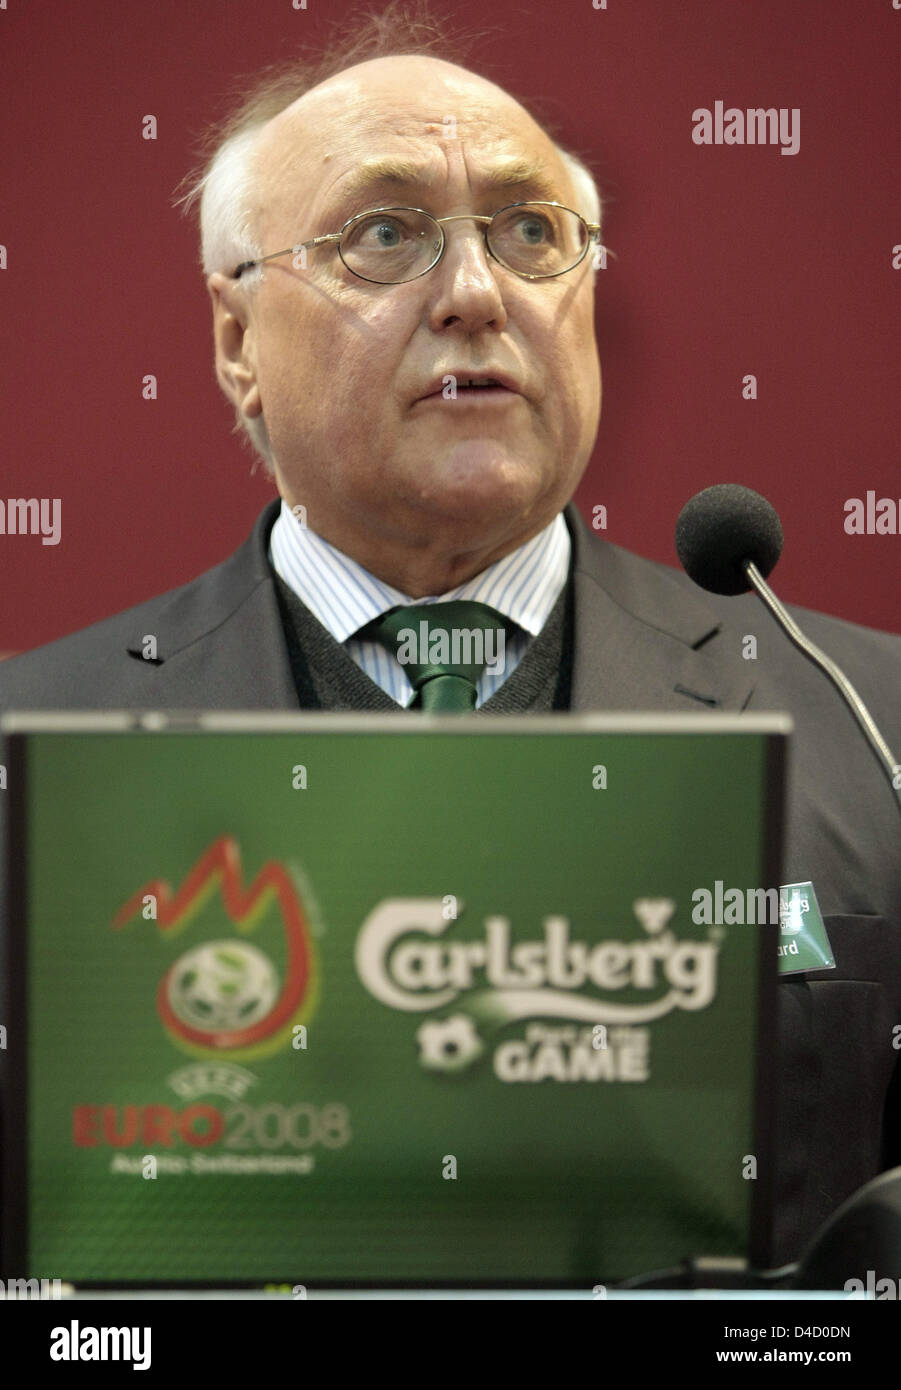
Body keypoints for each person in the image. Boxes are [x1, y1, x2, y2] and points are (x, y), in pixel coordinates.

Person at [2, 10, 900, 1275]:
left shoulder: (869, 727)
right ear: (235, 342)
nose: (478, 293)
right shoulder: (30, 752)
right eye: (386, 235)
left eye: (533, 234)